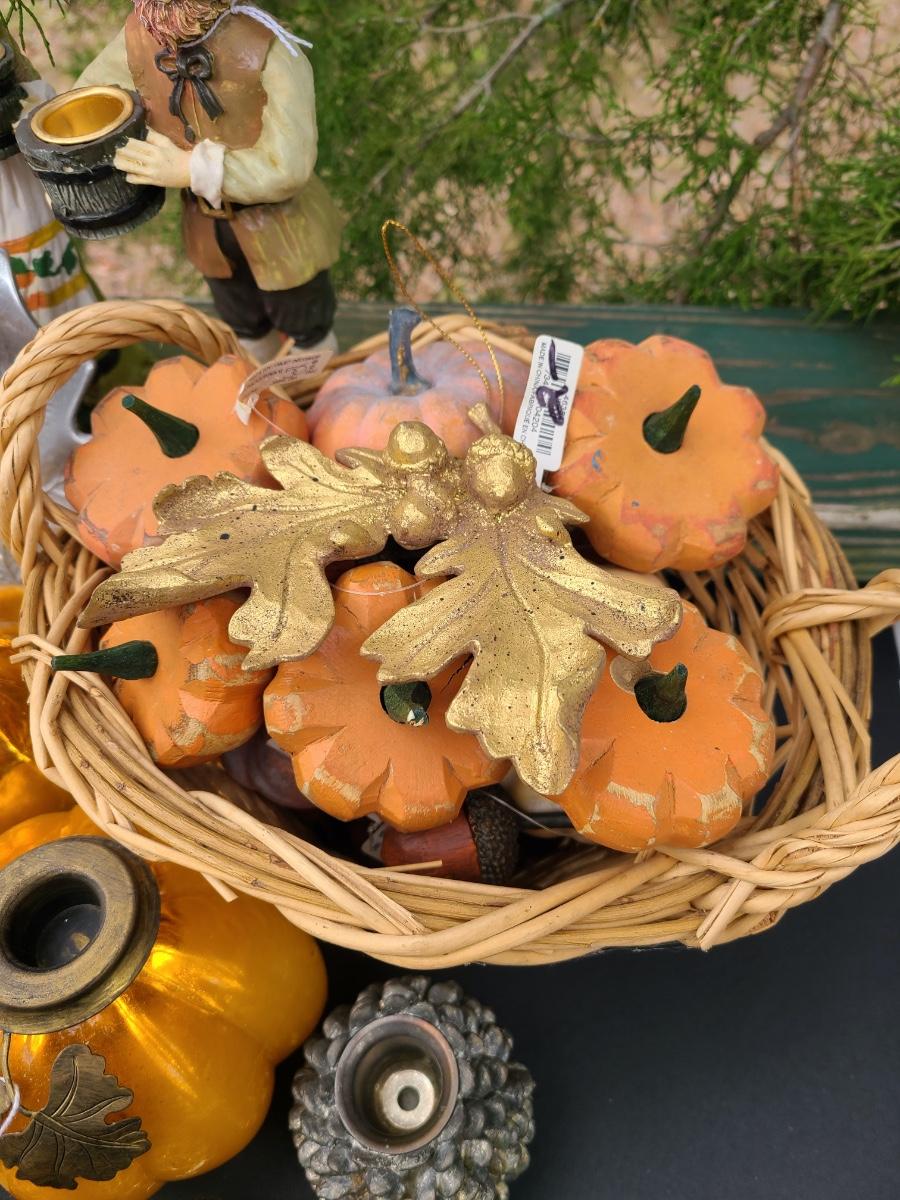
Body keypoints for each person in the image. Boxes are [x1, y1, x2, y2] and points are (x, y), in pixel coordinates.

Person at [76, 1, 343, 360]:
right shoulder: (140, 37)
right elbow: (90, 100)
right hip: (207, 228)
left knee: (305, 325)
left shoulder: (270, 51)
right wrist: (68, 162)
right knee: (242, 324)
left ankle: (315, 386)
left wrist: (193, 169)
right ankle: (252, 381)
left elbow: (288, 167)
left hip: (281, 230)